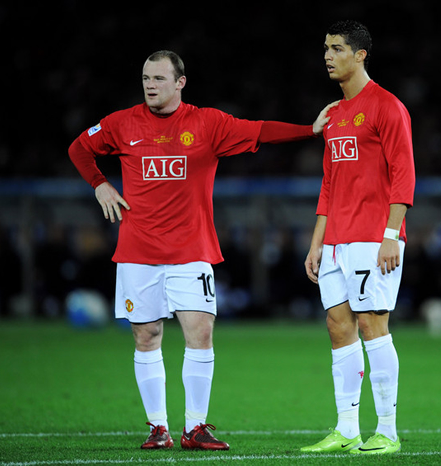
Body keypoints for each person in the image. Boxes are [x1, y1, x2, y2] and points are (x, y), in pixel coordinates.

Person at [69, 50, 336, 451]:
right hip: (137, 251)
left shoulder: (207, 123)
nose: (150, 84)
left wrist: (310, 130)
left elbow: (259, 131)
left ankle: (195, 428)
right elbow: (78, 148)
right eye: (145, 77)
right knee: (146, 335)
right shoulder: (120, 124)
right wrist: (99, 184)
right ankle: (157, 427)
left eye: (159, 78)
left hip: (191, 250)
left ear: (180, 83)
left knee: (201, 331)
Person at [300, 21, 415, 455]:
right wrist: (316, 243)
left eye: (337, 48)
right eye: (325, 48)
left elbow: (404, 174)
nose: (328, 56)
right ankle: (346, 428)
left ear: (361, 54)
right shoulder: (333, 116)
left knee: (372, 325)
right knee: (338, 327)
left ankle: (387, 430)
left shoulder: (387, 107)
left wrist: (391, 234)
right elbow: (329, 185)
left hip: (374, 236)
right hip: (336, 241)